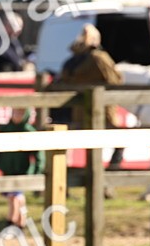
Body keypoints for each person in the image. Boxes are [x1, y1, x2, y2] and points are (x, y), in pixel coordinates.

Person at [54, 24, 126, 168]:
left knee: (70, 144)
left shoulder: (72, 61)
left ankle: (64, 180)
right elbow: (116, 80)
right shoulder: (99, 58)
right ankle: (111, 173)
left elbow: (63, 80)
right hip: (102, 111)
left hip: (79, 111)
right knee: (119, 140)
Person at [0, 107, 45, 228]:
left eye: (21, 113)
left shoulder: (28, 131)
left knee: (16, 196)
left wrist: (37, 170)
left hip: (23, 170)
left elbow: (39, 154)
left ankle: (12, 222)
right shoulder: (4, 130)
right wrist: (1, 164)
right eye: (15, 112)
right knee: (16, 198)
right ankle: (20, 222)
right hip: (8, 170)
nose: (17, 115)